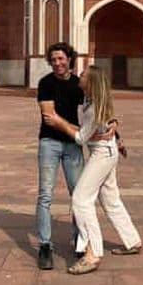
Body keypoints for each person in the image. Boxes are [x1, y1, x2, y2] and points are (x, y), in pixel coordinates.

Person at [44, 65, 141, 275]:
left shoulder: (94, 105)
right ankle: (132, 241)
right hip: (108, 151)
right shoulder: (91, 99)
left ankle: (93, 253)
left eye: (84, 75)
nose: (80, 76)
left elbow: (80, 138)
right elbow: (107, 119)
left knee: (80, 199)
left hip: (102, 155)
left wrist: (59, 122)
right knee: (110, 199)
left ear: (91, 82)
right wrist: (117, 133)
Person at [35, 42, 85, 270]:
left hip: (73, 146)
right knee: (45, 194)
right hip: (50, 143)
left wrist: (114, 127)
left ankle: (80, 241)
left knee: (79, 195)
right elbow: (49, 117)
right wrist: (79, 133)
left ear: (69, 59)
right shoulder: (45, 83)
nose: (57, 63)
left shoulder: (79, 85)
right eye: (53, 60)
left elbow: (95, 112)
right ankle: (45, 244)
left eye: (61, 59)